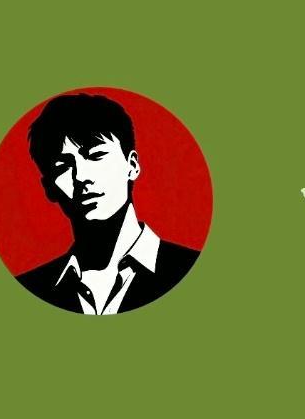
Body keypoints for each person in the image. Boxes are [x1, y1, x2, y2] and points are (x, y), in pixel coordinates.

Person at [13, 97, 200, 315]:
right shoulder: (30, 288)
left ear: (132, 165)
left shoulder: (189, 267)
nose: (81, 177)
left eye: (96, 155)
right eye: (63, 166)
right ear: (48, 188)